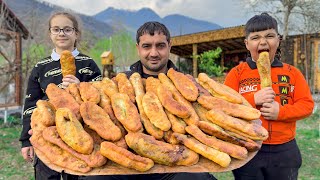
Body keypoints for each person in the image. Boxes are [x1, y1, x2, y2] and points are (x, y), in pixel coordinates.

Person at [80, 22, 217, 180]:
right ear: (138, 48)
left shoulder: (187, 85)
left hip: (173, 163)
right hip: (126, 163)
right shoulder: (120, 81)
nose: (153, 53)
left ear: (169, 46)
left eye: (160, 46)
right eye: (147, 46)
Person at [224, 13, 314, 180]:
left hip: (285, 150)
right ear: (247, 44)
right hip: (248, 147)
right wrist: (252, 100)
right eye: (256, 37)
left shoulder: (292, 73)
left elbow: (307, 105)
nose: (263, 42)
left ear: (278, 40)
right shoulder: (236, 74)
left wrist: (280, 112)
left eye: (270, 36)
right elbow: (224, 107)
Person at [19, 11, 102, 180]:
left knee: (79, 175)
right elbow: (30, 105)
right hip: (46, 136)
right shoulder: (40, 67)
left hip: (80, 134)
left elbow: (100, 99)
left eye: (67, 29)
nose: (61, 33)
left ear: (76, 33)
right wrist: (26, 141)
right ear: (50, 34)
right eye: (56, 29)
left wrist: (80, 88)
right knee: (47, 175)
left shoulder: (88, 64)